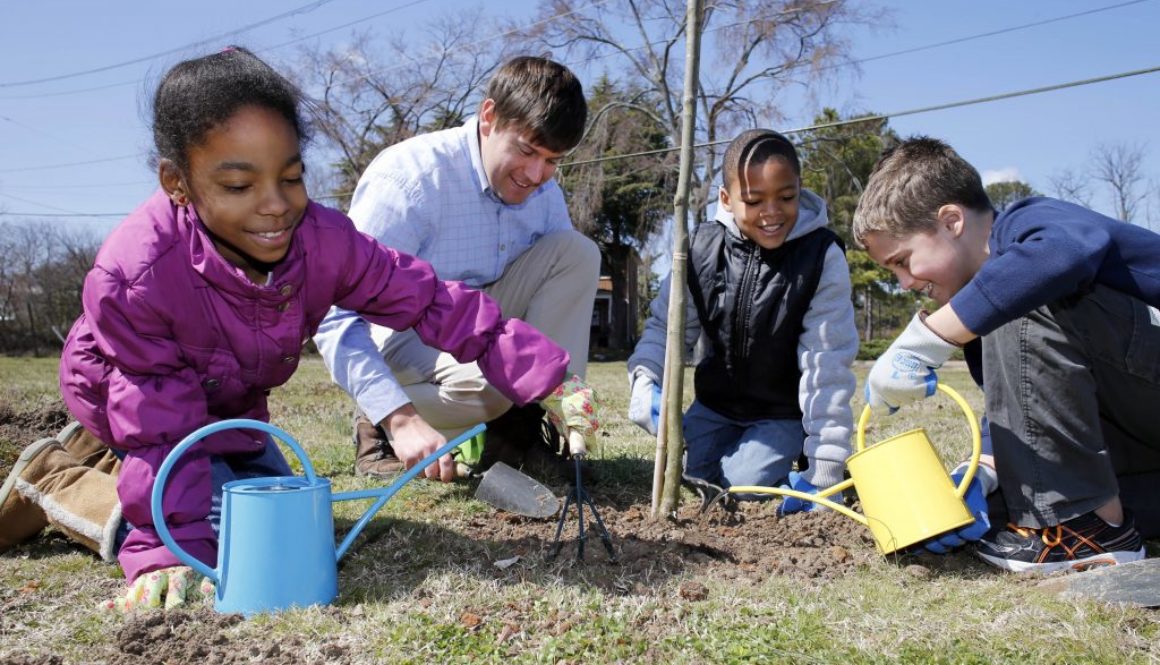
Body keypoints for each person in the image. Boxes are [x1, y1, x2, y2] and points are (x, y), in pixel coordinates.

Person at [53, 47, 569, 610]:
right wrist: (166, 551)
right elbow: (159, 427)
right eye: (237, 185)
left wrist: (541, 375)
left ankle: (166, 479)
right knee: (227, 535)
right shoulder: (136, 275)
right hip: (128, 393)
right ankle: (61, 484)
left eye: (292, 177)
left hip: (227, 397)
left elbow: (426, 299)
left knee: (296, 519)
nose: (275, 205)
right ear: (178, 182)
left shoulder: (322, 240)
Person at [854, 136, 1160, 573]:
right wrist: (983, 472)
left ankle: (1088, 531)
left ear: (952, 221)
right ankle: (1076, 522)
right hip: (1142, 442)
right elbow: (1035, 408)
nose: (904, 282)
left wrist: (925, 340)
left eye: (903, 261)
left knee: (1022, 291)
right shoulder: (989, 319)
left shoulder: (1031, 224)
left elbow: (1056, 259)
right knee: (1001, 510)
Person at [313, 55, 600, 481]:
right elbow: (333, 313)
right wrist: (396, 414)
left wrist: (566, 390)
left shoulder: (544, 191)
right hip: (403, 334)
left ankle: (519, 433)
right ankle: (379, 424)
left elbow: (554, 289)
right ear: (489, 117)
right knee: (489, 383)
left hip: (477, 325)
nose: (538, 174)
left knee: (576, 252)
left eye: (553, 160)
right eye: (526, 150)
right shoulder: (410, 179)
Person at [626, 129, 858, 511]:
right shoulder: (699, 247)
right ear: (726, 199)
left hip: (781, 414)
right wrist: (645, 379)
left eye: (786, 197)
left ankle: (783, 462)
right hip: (715, 407)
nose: (771, 213)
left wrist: (826, 470)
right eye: (753, 200)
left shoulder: (820, 257)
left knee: (741, 486)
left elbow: (827, 364)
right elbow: (665, 329)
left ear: (800, 188)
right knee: (692, 475)